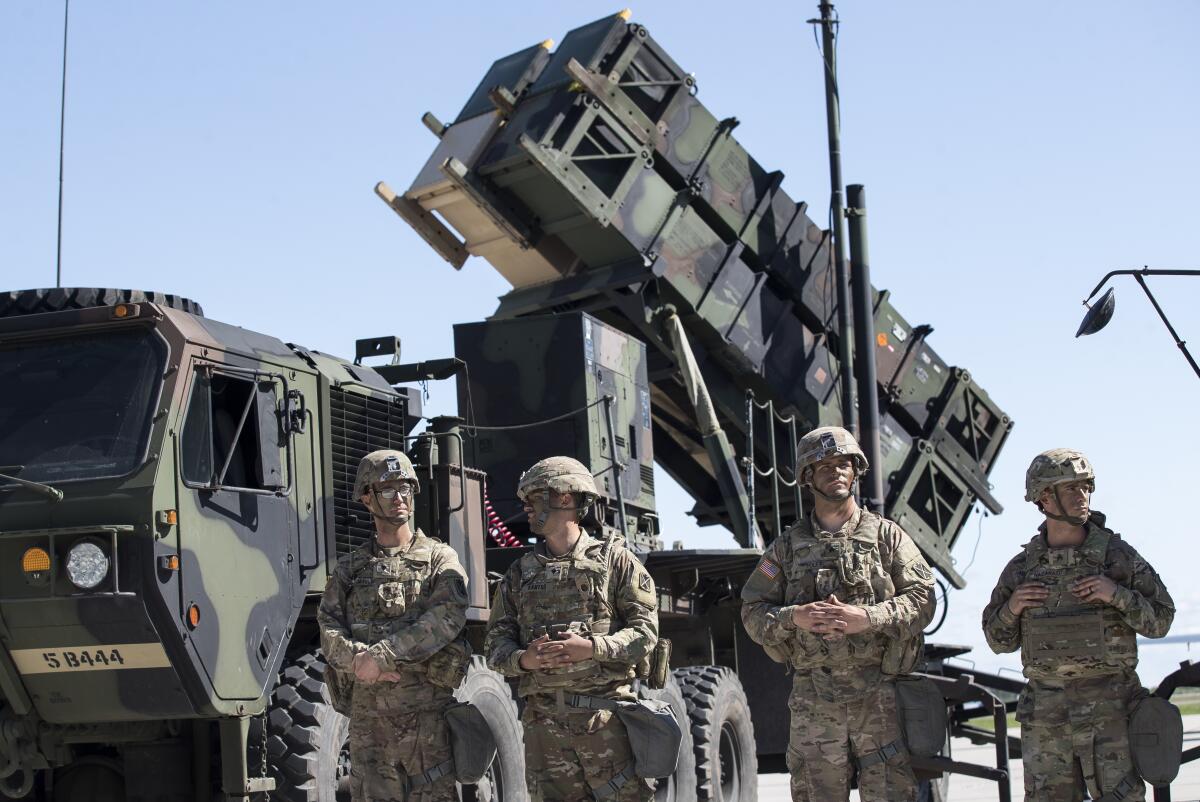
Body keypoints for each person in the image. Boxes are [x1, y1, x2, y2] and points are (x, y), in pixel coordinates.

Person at [741, 426, 935, 802]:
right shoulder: (784, 550)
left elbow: (924, 600)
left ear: (856, 470)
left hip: (879, 696)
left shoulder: (887, 537)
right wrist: (793, 617)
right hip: (814, 700)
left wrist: (870, 618)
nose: (837, 472)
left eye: (844, 464)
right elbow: (752, 611)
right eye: (824, 465)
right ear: (807, 477)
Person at [982, 448, 1174, 802]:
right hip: (1046, 717)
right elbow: (997, 640)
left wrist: (1117, 594)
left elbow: (1161, 619)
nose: (1082, 496)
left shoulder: (1118, 557)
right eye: (1070, 489)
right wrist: (1013, 607)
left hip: (1111, 713)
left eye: (1086, 487)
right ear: (1043, 497)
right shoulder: (1022, 568)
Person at [484, 456, 659, 801]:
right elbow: (494, 646)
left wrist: (593, 648)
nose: (526, 509)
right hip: (544, 731)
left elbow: (646, 633)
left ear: (564, 498)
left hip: (605, 724)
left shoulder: (616, 562)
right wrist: (523, 660)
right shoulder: (519, 575)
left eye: (533, 498)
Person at [317, 449, 471, 802]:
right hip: (369, 726)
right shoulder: (349, 569)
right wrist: (358, 660)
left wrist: (383, 656)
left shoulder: (438, 559)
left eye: (406, 489)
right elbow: (328, 628)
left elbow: (447, 616)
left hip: (426, 723)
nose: (400, 498)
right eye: (389, 491)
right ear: (367, 498)